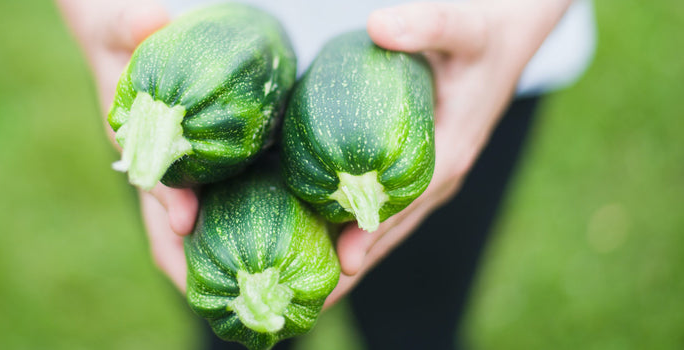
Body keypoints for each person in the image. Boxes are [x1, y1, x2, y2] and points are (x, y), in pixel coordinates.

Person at [57, 0, 595, 348]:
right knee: (233, 330)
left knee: (418, 325)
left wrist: (522, 20)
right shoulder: (167, 97)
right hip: (187, 50)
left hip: (469, 43)